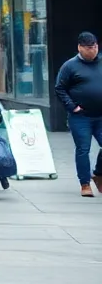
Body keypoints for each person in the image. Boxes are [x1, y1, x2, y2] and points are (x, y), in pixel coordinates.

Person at [53, 31, 102, 197]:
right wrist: (72, 107)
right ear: (80, 48)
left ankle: (99, 173)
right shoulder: (70, 66)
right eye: (89, 47)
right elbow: (59, 88)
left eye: (95, 46)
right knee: (83, 149)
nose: (93, 50)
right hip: (81, 116)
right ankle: (85, 183)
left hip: (101, 115)